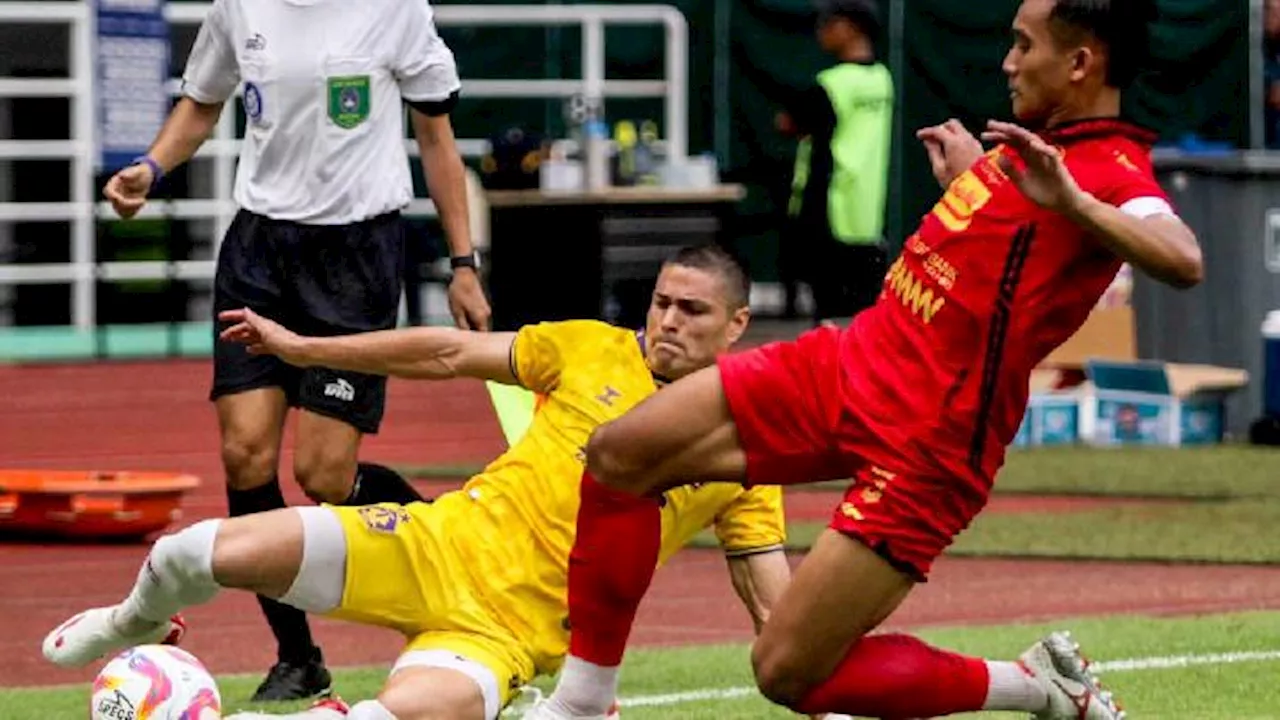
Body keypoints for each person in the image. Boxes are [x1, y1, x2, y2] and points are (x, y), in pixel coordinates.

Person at [528, 1, 1202, 719]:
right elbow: (1009, 245)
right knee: (620, 454)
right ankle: (582, 706)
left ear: (1079, 63)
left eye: (1022, 44)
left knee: (786, 671)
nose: (1007, 61)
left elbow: (1183, 258)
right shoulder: (1025, 144)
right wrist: (974, 181)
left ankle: (1035, 687)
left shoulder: (1112, 167)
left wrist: (1075, 202)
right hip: (852, 363)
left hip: (930, 441)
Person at [41, 247, 835, 720]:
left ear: (737, 324)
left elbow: (772, 600)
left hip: (503, 637)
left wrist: (826, 696)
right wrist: (308, 349)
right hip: (429, 544)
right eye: (660, 301)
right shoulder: (588, 346)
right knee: (192, 551)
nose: (666, 321)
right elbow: (447, 353)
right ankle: (127, 625)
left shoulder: (737, 450)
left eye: (691, 310)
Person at [98, 0, 493, 701]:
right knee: (244, 453)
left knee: (324, 476)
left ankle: (453, 545)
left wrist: (463, 263)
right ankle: (297, 655)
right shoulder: (237, 7)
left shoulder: (396, 10)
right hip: (259, 252)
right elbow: (202, 101)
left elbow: (436, 138)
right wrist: (151, 170)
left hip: (357, 254)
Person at [777, 0, 893, 326]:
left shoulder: (831, 84)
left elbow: (788, 124)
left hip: (828, 210)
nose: (821, 32)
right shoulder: (882, 80)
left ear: (850, 27)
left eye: (828, 23)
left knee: (828, 318)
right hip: (866, 214)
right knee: (863, 317)